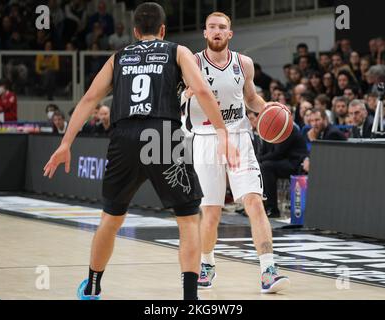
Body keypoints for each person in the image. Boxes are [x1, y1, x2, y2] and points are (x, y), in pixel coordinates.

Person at [43, 2, 238, 301]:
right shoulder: (177, 51)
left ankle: (93, 286)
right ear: (163, 30)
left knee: (111, 218)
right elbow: (202, 91)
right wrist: (223, 132)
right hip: (162, 135)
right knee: (187, 220)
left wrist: (66, 143)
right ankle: (189, 299)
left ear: (134, 32)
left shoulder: (118, 57)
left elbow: (89, 100)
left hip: (124, 136)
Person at [182, 11, 290, 293]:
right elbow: (176, 99)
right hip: (205, 138)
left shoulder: (244, 63)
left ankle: (268, 268)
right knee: (212, 212)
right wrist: (184, 95)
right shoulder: (191, 62)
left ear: (230, 34)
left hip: (239, 136)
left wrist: (271, 110)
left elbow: (251, 98)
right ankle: (207, 263)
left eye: (222, 27)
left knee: (254, 202)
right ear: (205, 33)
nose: (217, 31)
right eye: (212, 27)